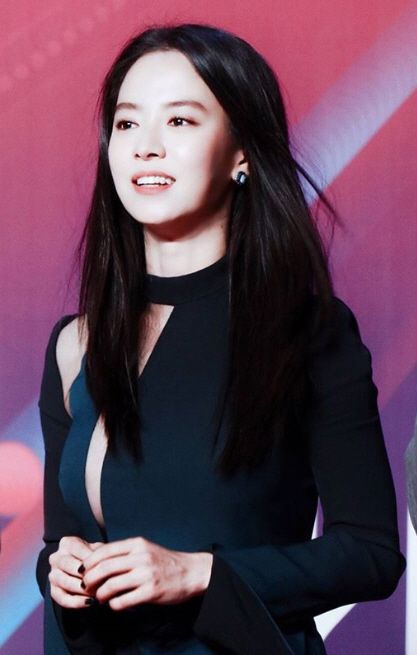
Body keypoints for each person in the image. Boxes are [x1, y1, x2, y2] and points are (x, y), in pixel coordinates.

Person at [36, 22, 405, 655]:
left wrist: (199, 574)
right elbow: (59, 541)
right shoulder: (76, 344)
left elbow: (371, 554)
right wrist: (60, 569)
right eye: (127, 123)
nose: (146, 147)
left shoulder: (307, 331)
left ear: (242, 153)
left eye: (179, 121)